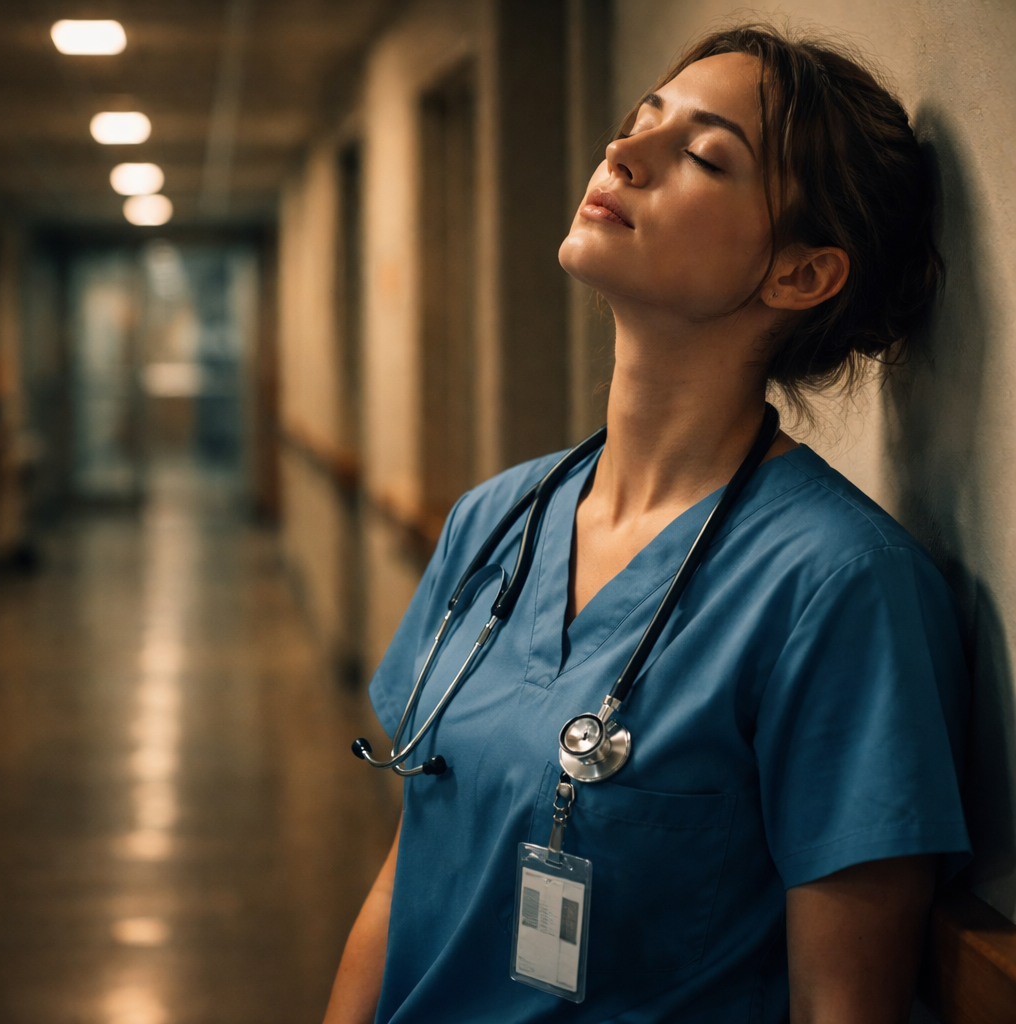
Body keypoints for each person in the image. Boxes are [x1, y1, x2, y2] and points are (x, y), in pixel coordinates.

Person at [325, 24, 970, 1024]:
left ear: (799, 274)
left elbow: (844, 1004)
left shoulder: (839, 588)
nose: (623, 155)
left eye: (704, 156)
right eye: (638, 125)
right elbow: (406, 874)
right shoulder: (497, 520)